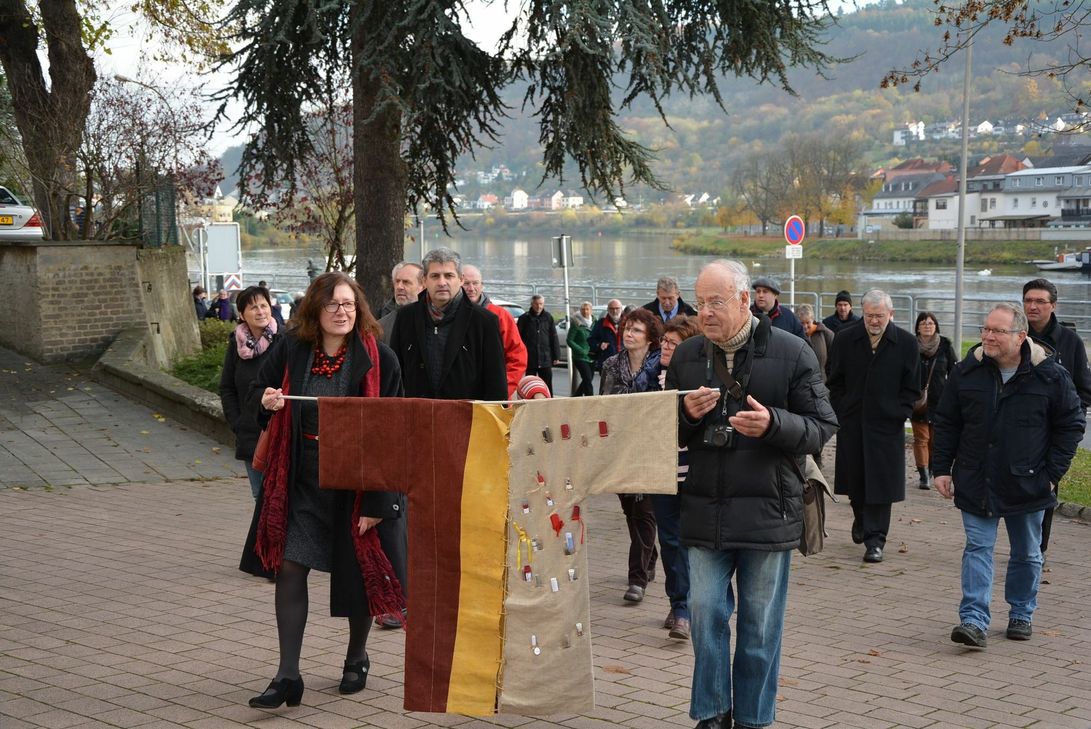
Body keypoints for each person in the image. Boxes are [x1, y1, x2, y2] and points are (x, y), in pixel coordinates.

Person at [665, 260, 837, 729]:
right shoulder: (686, 356)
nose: (705, 312)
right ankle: (713, 713)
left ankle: (755, 719)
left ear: (745, 300)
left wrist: (774, 424)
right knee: (704, 616)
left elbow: (823, 427)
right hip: (704, 509)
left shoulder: (793, 351)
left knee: (760, 629)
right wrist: (686, 415)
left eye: (716, 302)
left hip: (769, 511)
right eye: (699, 303)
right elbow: (663, 432)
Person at [241, 272, 405, 709]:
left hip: (356, 486)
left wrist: (376, 501)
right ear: (315, 310)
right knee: (291, 568)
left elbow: (392, 436)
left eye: (349, 304)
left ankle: (356, 658)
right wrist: (267, 400)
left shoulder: (381, 359)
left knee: (357, 576)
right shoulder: (293, 351)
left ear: (360, 310)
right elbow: (257, 390)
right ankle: (287, 675)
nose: (341, 312)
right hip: (300, 480)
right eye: (332, 304)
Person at [933, 303, 1084, 648]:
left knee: (1028, 553)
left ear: (1020, 337)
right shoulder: (966, 372)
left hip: (1028, 481)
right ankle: (973, 620)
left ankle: (1021, 612)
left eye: (997, 331)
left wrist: (1051, 473)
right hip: (975, 477)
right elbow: (947, 422)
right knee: (977, 548)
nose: (987, 336)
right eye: (986, 329)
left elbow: (1071, 425)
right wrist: (941, 468)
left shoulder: (1050, 375)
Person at [826, 289, 920, 564]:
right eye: (869, 315)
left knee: (881, 485)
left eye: (879, 316)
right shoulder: (845, 339)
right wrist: (842, 408)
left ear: (890, 314)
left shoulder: (905, 343)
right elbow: (835, 379)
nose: (874, 321)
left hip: (886, 425)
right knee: (856, 481)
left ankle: (875, 540)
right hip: (853, 422)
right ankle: (861, 517)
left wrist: (899, 412)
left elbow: (912, 387)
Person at [1022, 278, 1091, 554]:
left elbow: (1084, 389)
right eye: (1028, 300)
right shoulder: (1014, 334)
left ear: (1053, 305)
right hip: (1016, 428)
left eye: (1040, 301)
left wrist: (1070, 424)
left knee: (1046, 490)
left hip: (1051, 432)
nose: (1033, 306)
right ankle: (1023, 546)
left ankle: (1037, 550)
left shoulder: (1069, 341)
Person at [601, 307, 664, 604]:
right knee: (631, 510)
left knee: (645, 511)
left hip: (651, 448)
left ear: (650, 338)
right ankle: (649, 556)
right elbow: (602, 406)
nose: (629, 333)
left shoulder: (661, 368)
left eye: (637, 330)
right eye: (627, 328)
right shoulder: (612, 365)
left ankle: (636, 579)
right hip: (620, 446)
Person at [389, 247, 507, 402]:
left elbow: (496, 384)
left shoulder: (484, 321)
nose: (442, 282)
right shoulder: (406, 317)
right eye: (435, 276)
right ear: (424, 280)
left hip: (467, 420)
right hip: (417, 418)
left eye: (449, 275)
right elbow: (394, 376)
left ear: (461, 279)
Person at [653, 314, 702, 641]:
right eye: (664, 341)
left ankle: (688, 607)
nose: (666, 347)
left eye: (673, 343)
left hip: (696, 472)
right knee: (670, 542)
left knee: (693, 543)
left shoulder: (697, 377)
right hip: (660, 470)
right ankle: (679, 604)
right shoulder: (650, 375)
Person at [219, 286, 280, 502]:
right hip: (251, 435)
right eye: (253, 307)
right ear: (242, 314)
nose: (261, 311)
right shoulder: (236, 345)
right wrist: (237, 422)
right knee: (260, 498)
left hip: (280, 434)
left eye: (264, 305)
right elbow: (227, 387)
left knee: (281, 499)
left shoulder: (284, 342)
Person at [462, 264, 528, 397]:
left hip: (493, 400)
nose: (471, 288)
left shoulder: (500, 315)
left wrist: (501, 390)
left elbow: (517, 357)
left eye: (475, 283)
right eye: (466, 284)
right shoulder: (448, 315)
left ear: (482, 285)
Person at [910, 312, 957, 490]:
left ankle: (931, 470)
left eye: (930, 323)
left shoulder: (945, 345)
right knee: (921, 438)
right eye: (923, 323)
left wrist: (953, 394)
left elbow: (954, 370)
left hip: (940, 400)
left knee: (935, 441)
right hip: (917, 401)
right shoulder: (911, 345)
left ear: (936, 326)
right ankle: (923, 476)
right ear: (918, 327)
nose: (927, 326)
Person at [517, 295, 560, 395]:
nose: (539, 306)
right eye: (536, 304)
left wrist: (556, 355)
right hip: (530, 357)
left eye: (541, 304)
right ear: (532, 304)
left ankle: (549, 402)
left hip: (545, 358)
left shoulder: (548, 317)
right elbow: (519, 339)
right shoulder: (524, 318)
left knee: (547, 384)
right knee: (529, 384)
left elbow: (553, 337)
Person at [377, 262, 424, 344]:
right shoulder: (381, 327)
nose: (399, 287)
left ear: (423, 286)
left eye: (406, 282)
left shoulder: (435, 320)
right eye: (397, 281)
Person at [795, 303, 833, 377]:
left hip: (821, 381)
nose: (805, 326)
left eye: (808, 322)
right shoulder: (793, 335)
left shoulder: (827, 334)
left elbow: (832, 361)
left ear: (813, 320)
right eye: (801, 323)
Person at [589, 299, 624, 373]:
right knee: (608, 384)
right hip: (606, 363)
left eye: (617, 308)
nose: (614, 311)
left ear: (621, 309)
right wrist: (600, 345)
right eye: (611, 308)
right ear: (608, 310)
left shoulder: (628, 323)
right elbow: (591, 340)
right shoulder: (600, 324)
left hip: (625, 363)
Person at [566, 311, 594, 396]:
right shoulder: (576, 323)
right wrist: (580, 350)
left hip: (592, 355)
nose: (586, 311)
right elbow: (569, 340)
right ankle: (590, 399)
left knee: (588, 379)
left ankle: (576, 397)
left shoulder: (595, 322)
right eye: (583, 309)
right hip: (580, 357)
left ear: (591, 310)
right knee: (587, 378)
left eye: (588, 309)